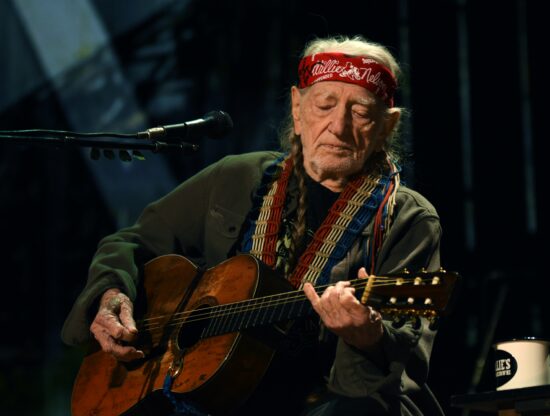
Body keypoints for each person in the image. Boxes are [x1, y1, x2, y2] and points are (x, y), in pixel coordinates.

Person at [62, 35, 444, 416]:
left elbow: (407, 355)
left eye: (360, 112)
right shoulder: (236, 177)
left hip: (322, 396)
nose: (338, 127)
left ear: (386, 127)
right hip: (212, 393)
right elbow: (130, 242)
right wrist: (111, 294)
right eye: (324, 105)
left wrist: (368, 335)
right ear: (297, 108)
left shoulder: (409, 218)